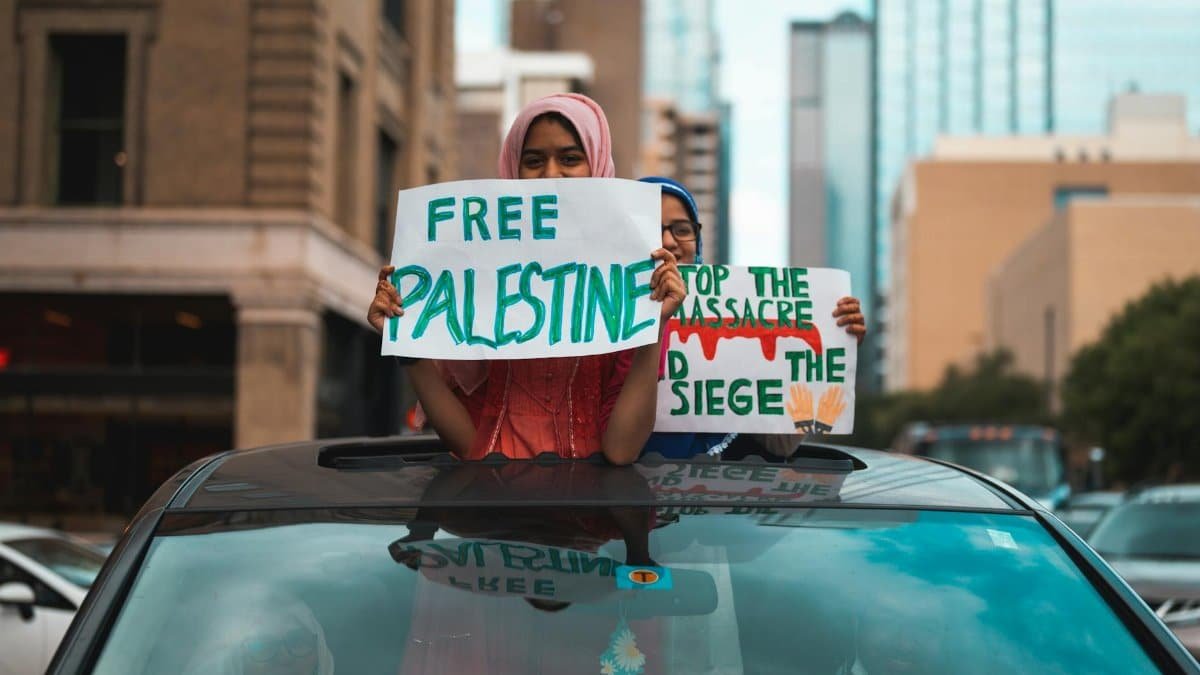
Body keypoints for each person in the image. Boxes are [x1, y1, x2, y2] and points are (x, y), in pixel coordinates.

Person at [367, 93, 686, 465]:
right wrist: (409, 346)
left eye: (570, 159)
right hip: (496, 506)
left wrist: (651, 327)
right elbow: (469, 445)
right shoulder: (482, 277)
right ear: (513, 169)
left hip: (593, 513)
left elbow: (621, 450)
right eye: (534, 160)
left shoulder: (630, 285)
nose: (551, 174)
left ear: (597, 164)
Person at [635, 175, 867, 458]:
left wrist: (832, 343)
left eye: (682, 230)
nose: (669, 241)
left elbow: (779, 445)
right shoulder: (601, 330)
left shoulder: (733, 317)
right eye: (652, 229)